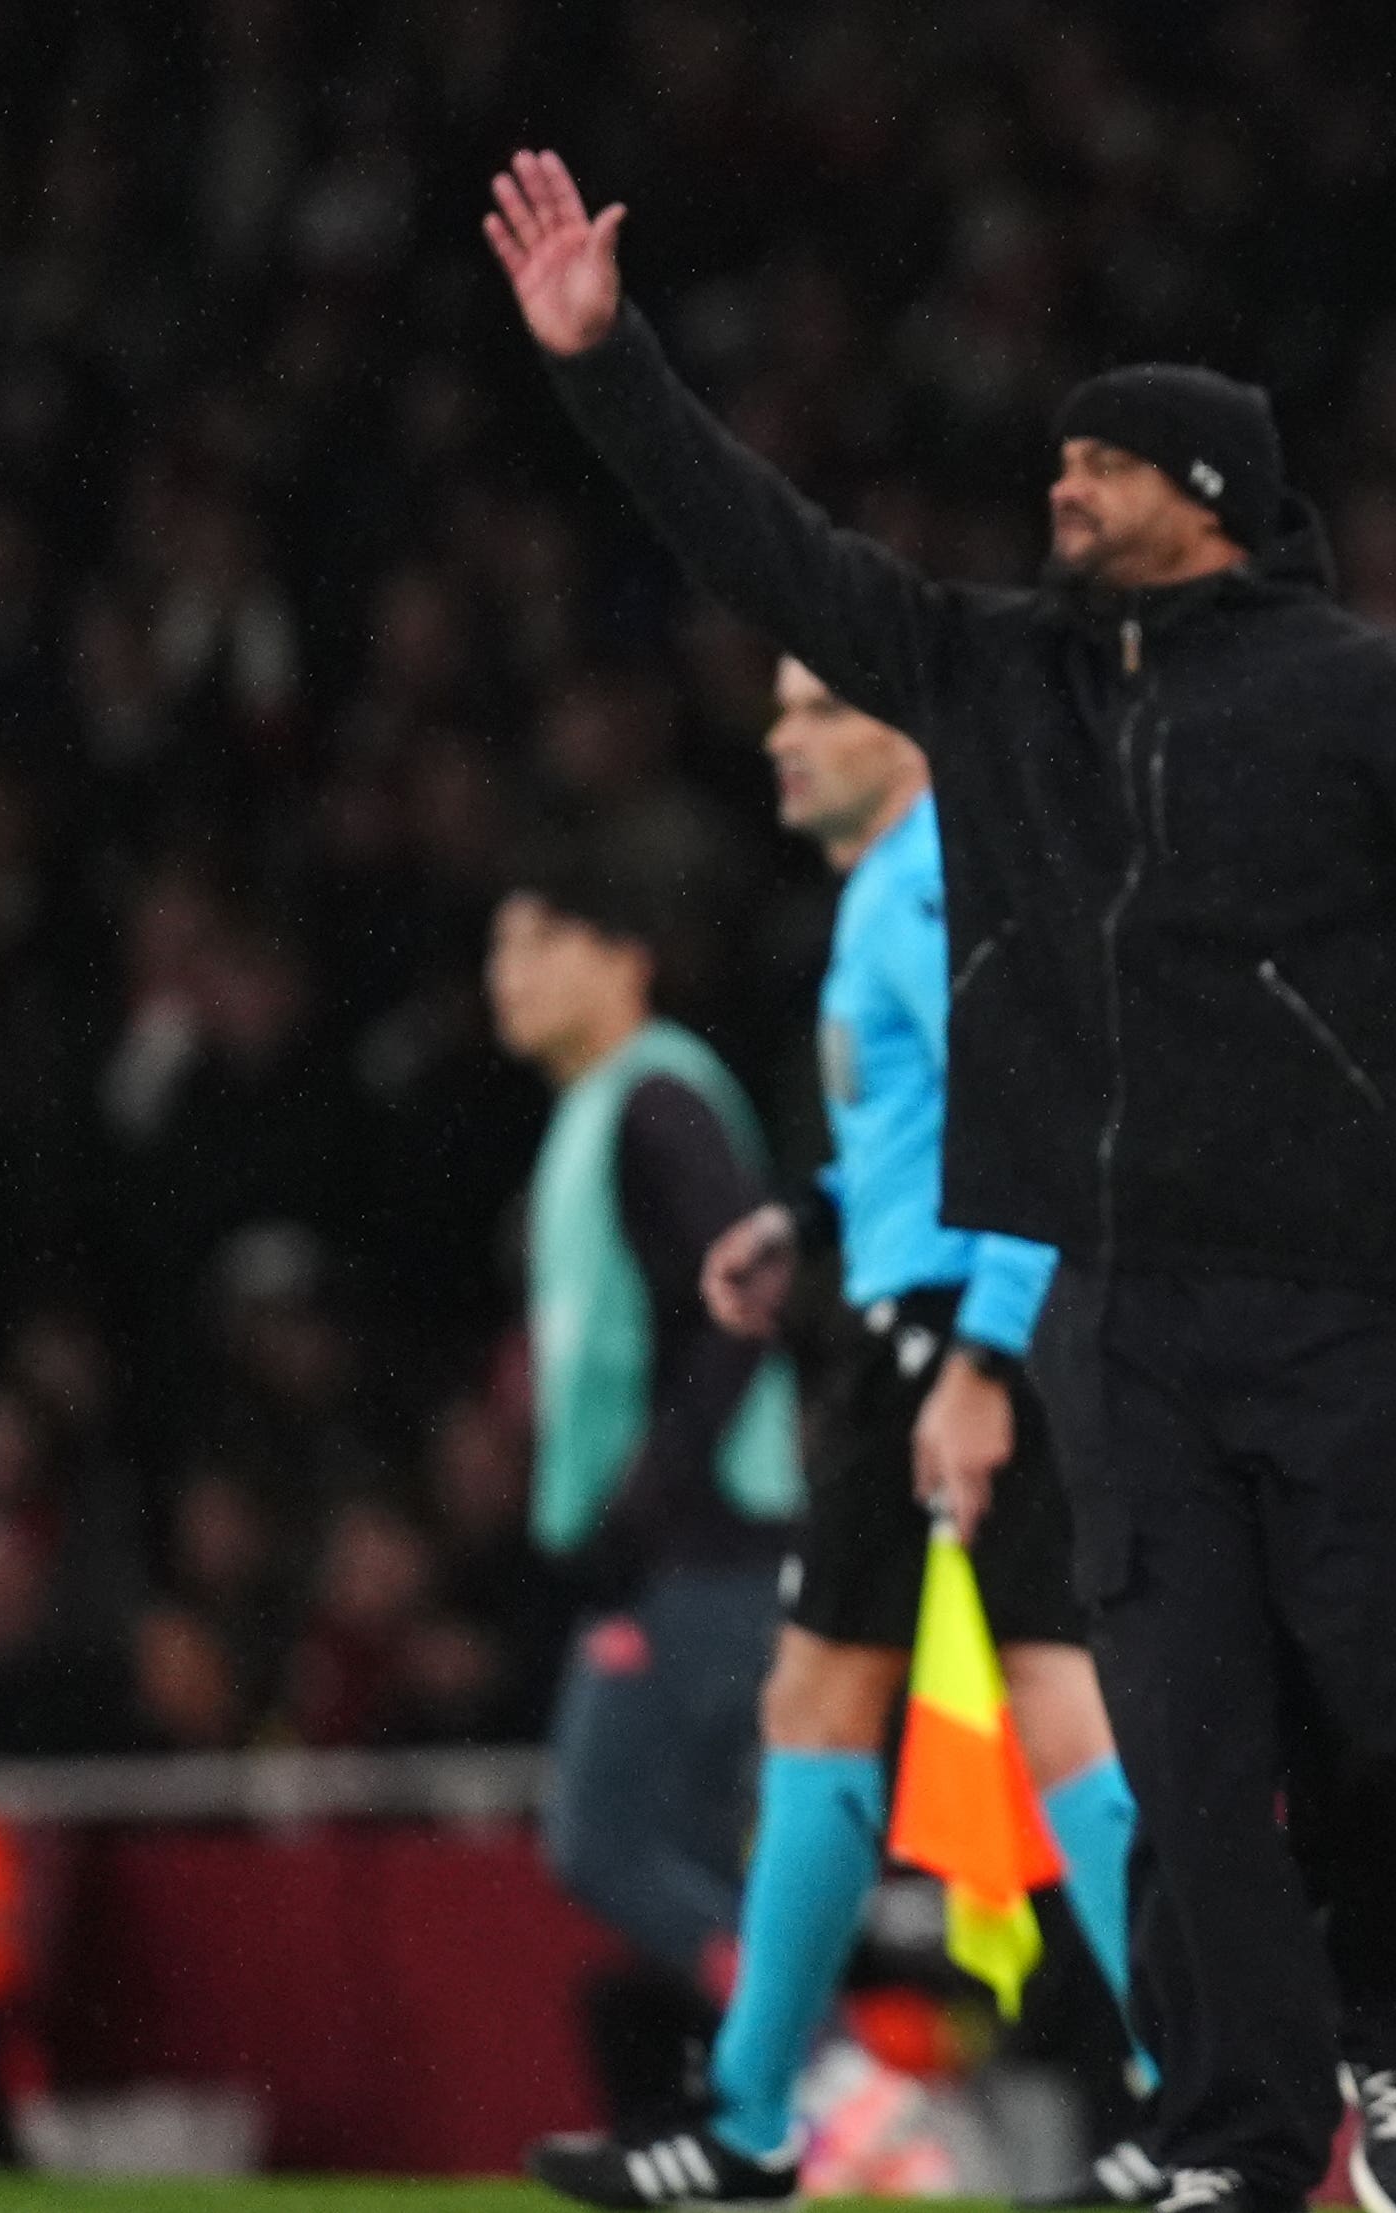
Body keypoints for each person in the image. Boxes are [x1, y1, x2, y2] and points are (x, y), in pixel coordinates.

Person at [486, 150, 1396, 2213]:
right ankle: (1237, 2132)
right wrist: (611, 368)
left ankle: (1390, 2018)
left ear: (1209, 497)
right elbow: (774, 556)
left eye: (1099, 466)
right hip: (1119, 1308)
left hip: (1353, 1296)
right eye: (1053, 461)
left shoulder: (1370, 703)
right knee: (1176, 1742)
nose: (1056, 490)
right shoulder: (1003, 681)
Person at [530, 661, 1141, 2206]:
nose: (777, 740)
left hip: (958, 1337)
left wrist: (982, 1359)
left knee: (1032, 1709)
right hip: (910, 1326)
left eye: (814, 708)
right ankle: (755, 2118)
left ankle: (1201, 2092)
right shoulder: (892, 888)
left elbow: (1043, 1117)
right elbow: (924, 1133)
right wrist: (800, 1226)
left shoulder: (946, 873)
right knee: (855, 1704)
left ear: (911, 725)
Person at [486, 857, 802, 2124]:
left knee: (607, 1841)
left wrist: (651, 1491)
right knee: (688, 1851)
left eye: (541, 942)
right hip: (689, 1546)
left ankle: (825, 2063)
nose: (509, 978)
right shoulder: (605, 1103)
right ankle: (765, 2124)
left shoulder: (657, 1097)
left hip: (703, 1548)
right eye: (500, 953)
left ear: (626, 955)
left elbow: (746, 1303)